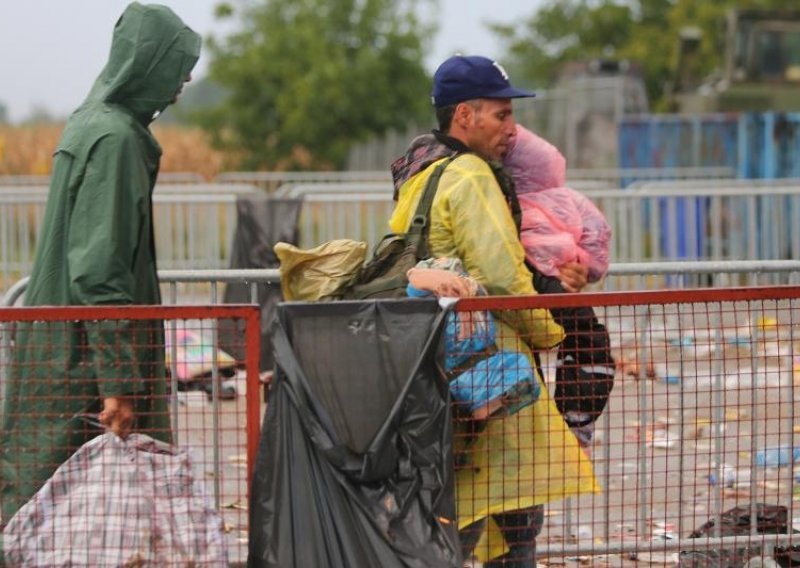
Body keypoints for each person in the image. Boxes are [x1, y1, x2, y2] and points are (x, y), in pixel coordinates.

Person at [389, 54, 598, 567]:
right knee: (515, 516)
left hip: (434, 363)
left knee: (454, 506)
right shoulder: (471, 175)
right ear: (465, 115)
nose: (512, 129)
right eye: (501, 115)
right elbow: (502, 277)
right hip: (491, 365)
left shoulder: (418, 170)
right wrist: (553, 333)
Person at [0, 1, 201, 524]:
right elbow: (100, 269)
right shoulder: (115, 140)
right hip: (84, 357)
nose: (181, 84)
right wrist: (118, 383)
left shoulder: (88, 122)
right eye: (177, 70)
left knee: (48, 503)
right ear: (148, 65)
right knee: (73, 514)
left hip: (62, 340)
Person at [503, 125, 616, 448]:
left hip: (529, 298)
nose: (505, 126)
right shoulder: (561, 202)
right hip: (537, 297)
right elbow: (597, 238)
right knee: (587, 341)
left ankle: (566, 425)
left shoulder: (511, 201)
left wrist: (572, 268)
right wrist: (578, 262)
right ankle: (576, 420)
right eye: (501, 114)